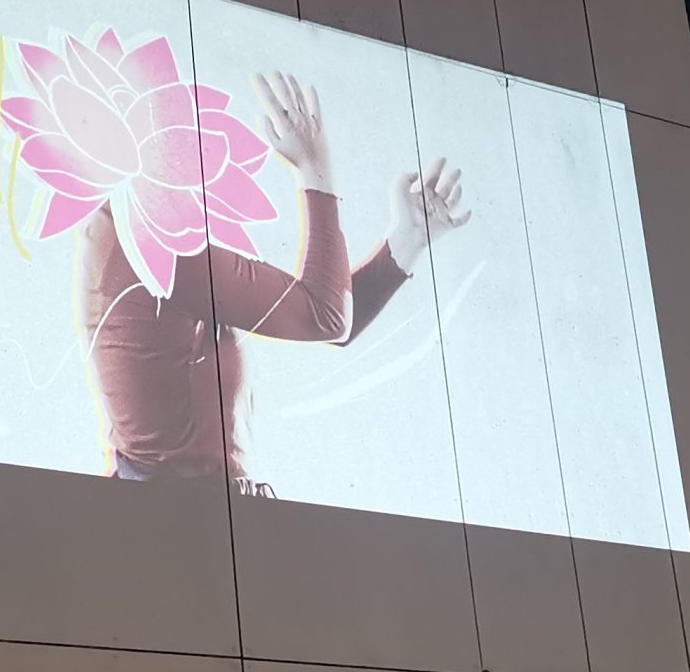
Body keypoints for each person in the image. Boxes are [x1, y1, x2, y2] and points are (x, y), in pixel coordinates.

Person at [83, 71, 471, 492]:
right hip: (182, 520)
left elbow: (324, 315)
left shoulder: (147, 230)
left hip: (193, 513)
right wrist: (315, 168)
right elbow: (326, 316)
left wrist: (407, 241)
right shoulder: (153, 241)